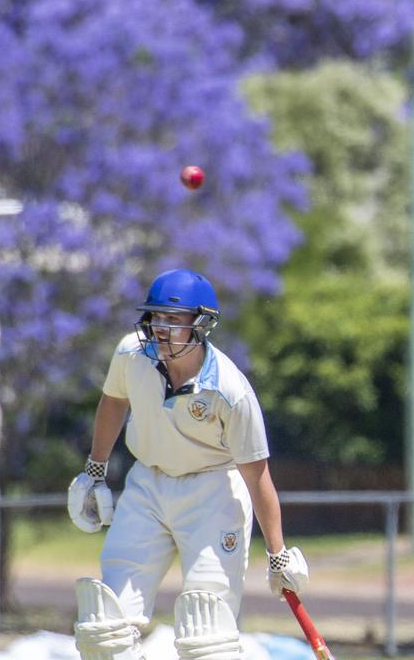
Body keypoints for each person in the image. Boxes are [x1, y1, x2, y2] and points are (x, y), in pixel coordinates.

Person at [68, 268, 308, 660]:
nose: (160, 329)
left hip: (213, 494)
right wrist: (95, 471)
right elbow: (113, 401)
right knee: (104, 628)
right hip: (147, 485)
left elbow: (257, 476)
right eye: (155, 318)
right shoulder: (132, 354)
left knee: (207, 637)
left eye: (173, 320)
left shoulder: (230, 390)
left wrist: (278, 555)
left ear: (201, 326)